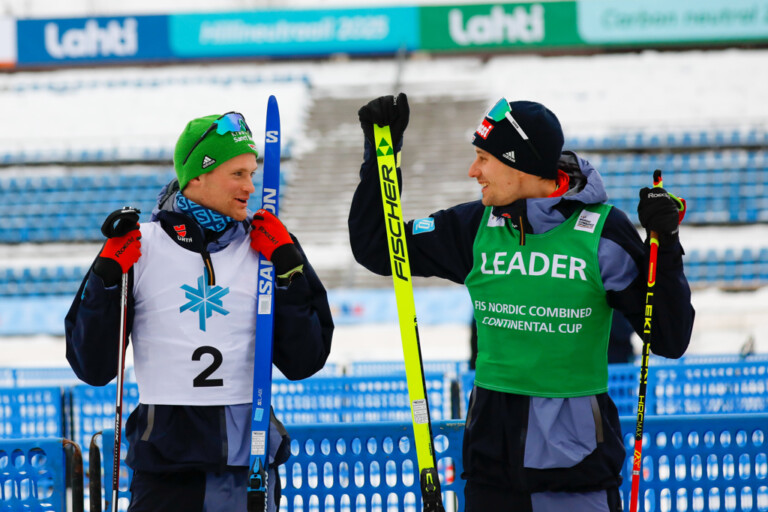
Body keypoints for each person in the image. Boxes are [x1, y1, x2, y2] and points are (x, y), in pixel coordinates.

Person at [349, 94, 694, 511]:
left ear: (518, 162)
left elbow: (670, 338)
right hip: (491, 472)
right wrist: (381, 155)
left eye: (483, 158)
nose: (473, 171)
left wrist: (667, 242)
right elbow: (377, 247)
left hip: (577, 476)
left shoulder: (602, 233)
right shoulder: (476, 226)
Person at [65, 111, 334, 512]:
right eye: (237, 174)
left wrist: (289, 271)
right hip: (168, 462)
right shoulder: (140, 246)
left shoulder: (268, 245)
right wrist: (105, 279)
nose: (250, 186)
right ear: (198, 176)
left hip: (251, 458)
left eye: (252, 173)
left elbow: (305, 360)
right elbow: (93, 366)